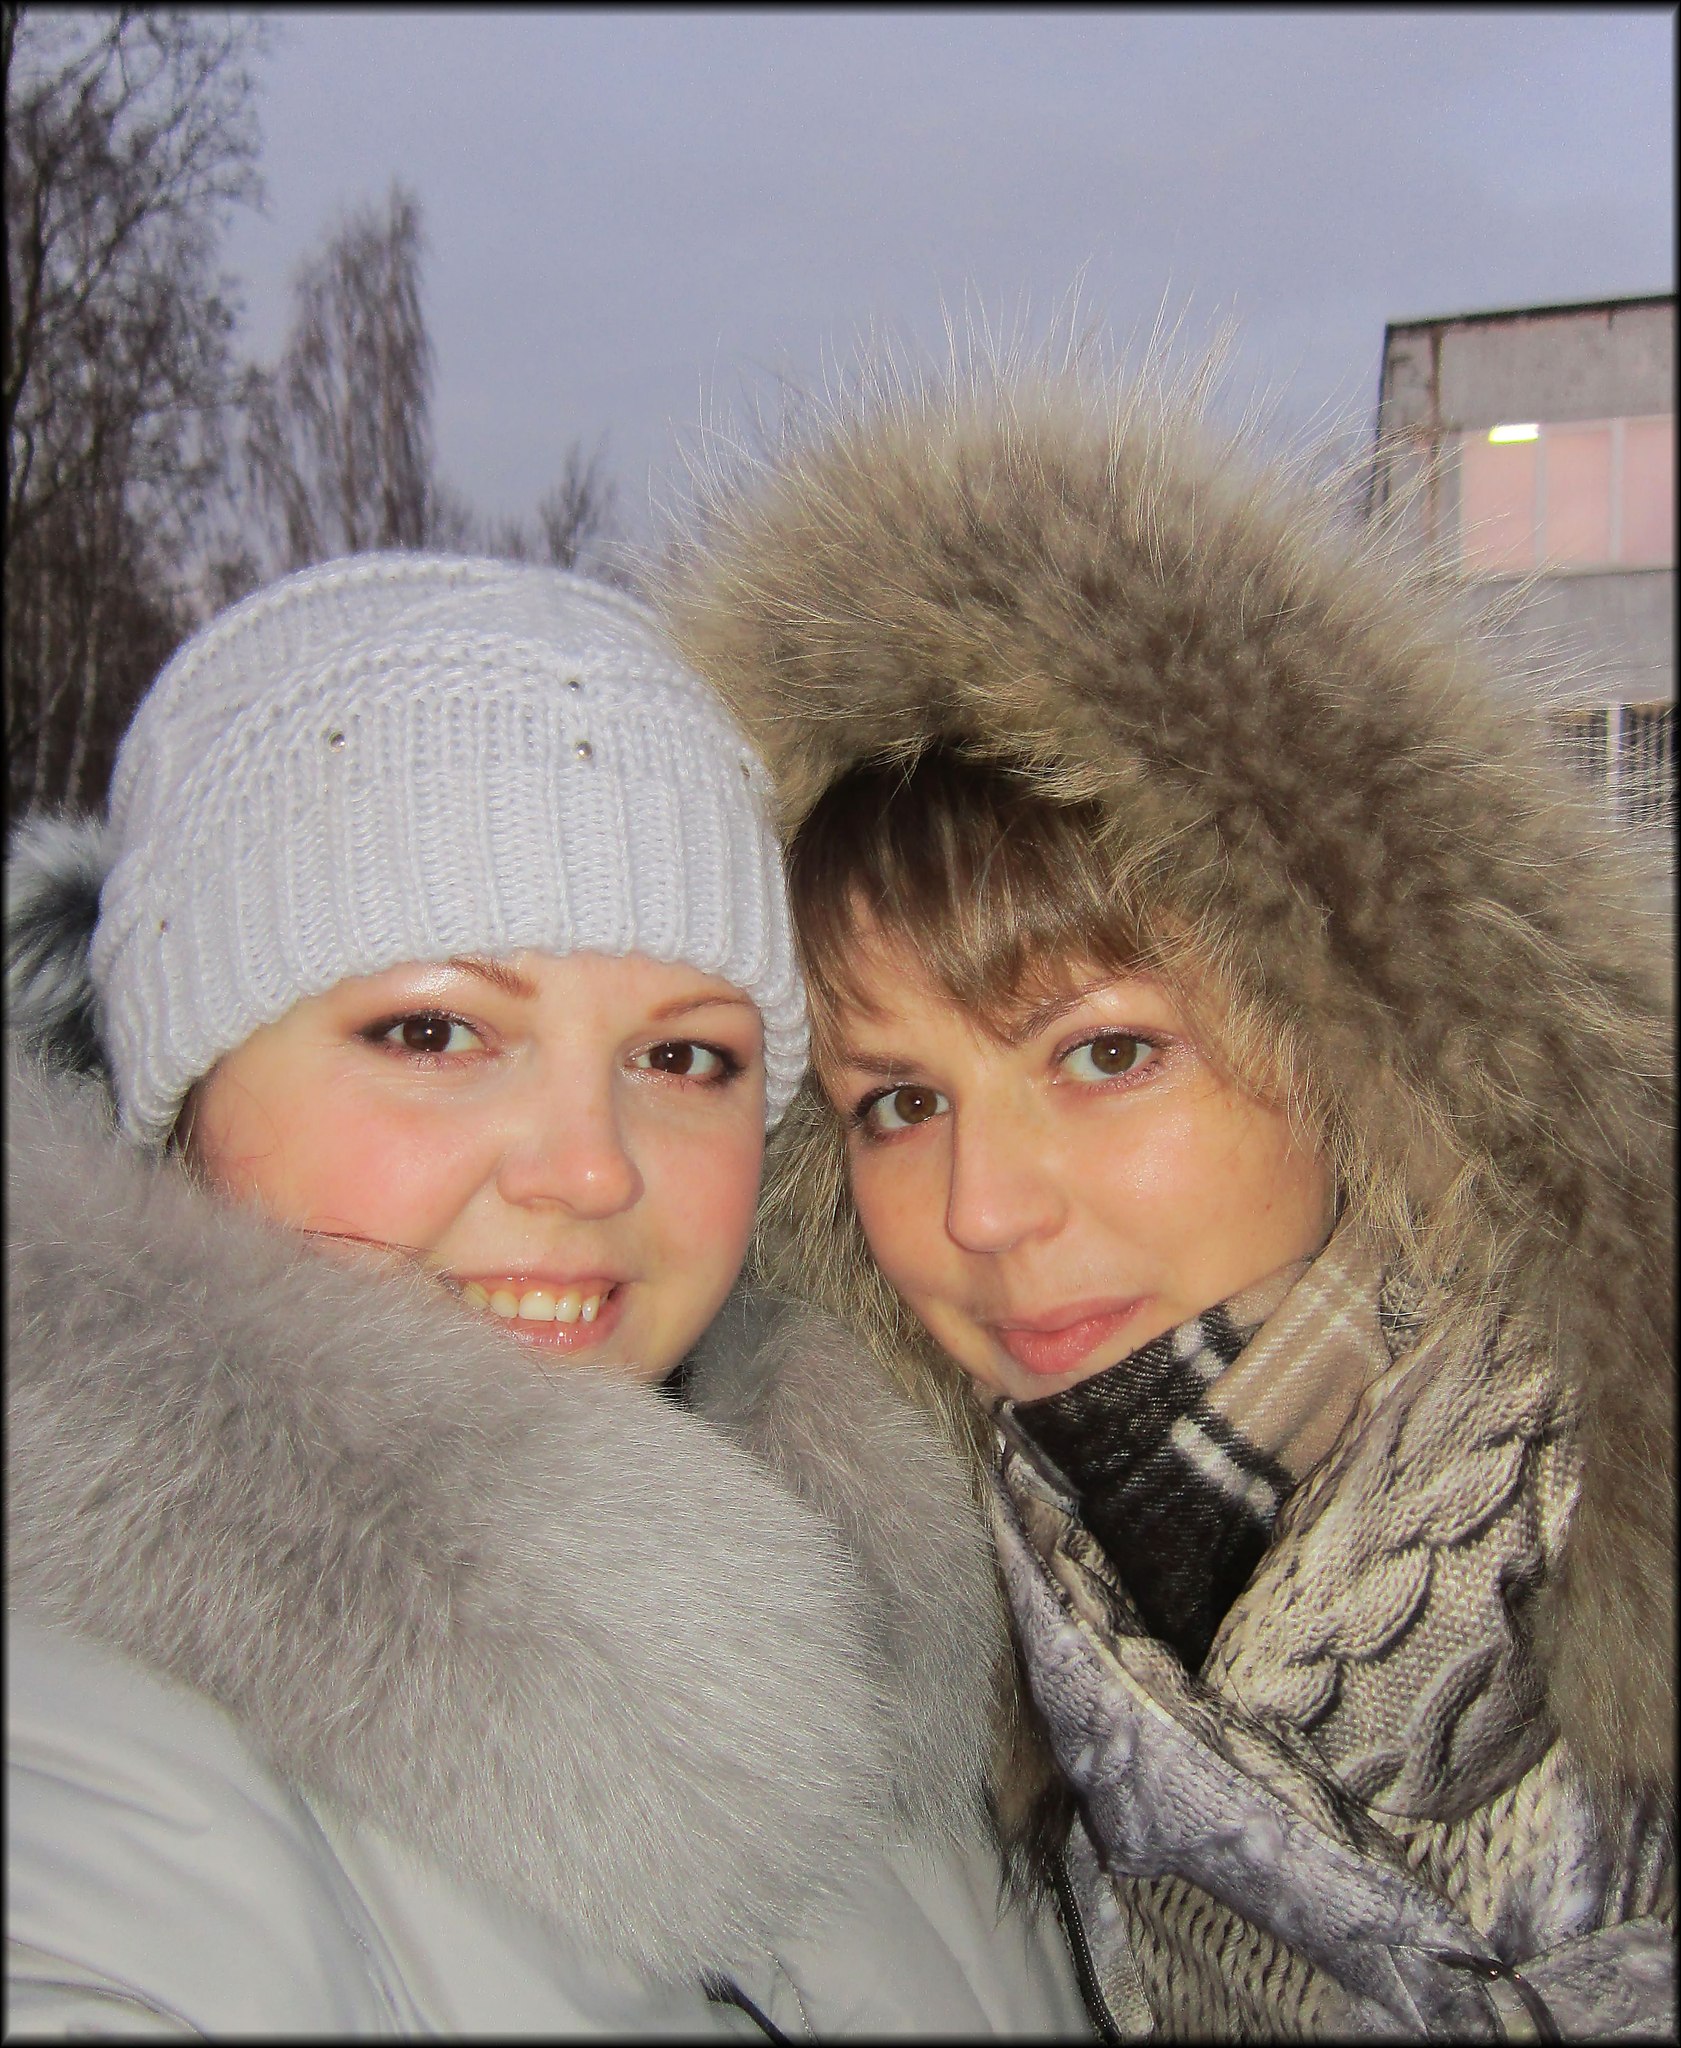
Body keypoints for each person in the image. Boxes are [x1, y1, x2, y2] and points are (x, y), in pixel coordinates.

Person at [664, 357, 1676, 2039]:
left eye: (1106, 1052)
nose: (983, 1211)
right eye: (898, 1103)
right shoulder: (905, 1694)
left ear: (1367, 1036)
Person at [4, 553, 1092, 2037]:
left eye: (683, 1057)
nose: (589, 1170)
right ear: (174, 1087)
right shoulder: (80, 1762)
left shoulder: (925, 1610)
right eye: (435, 1032)